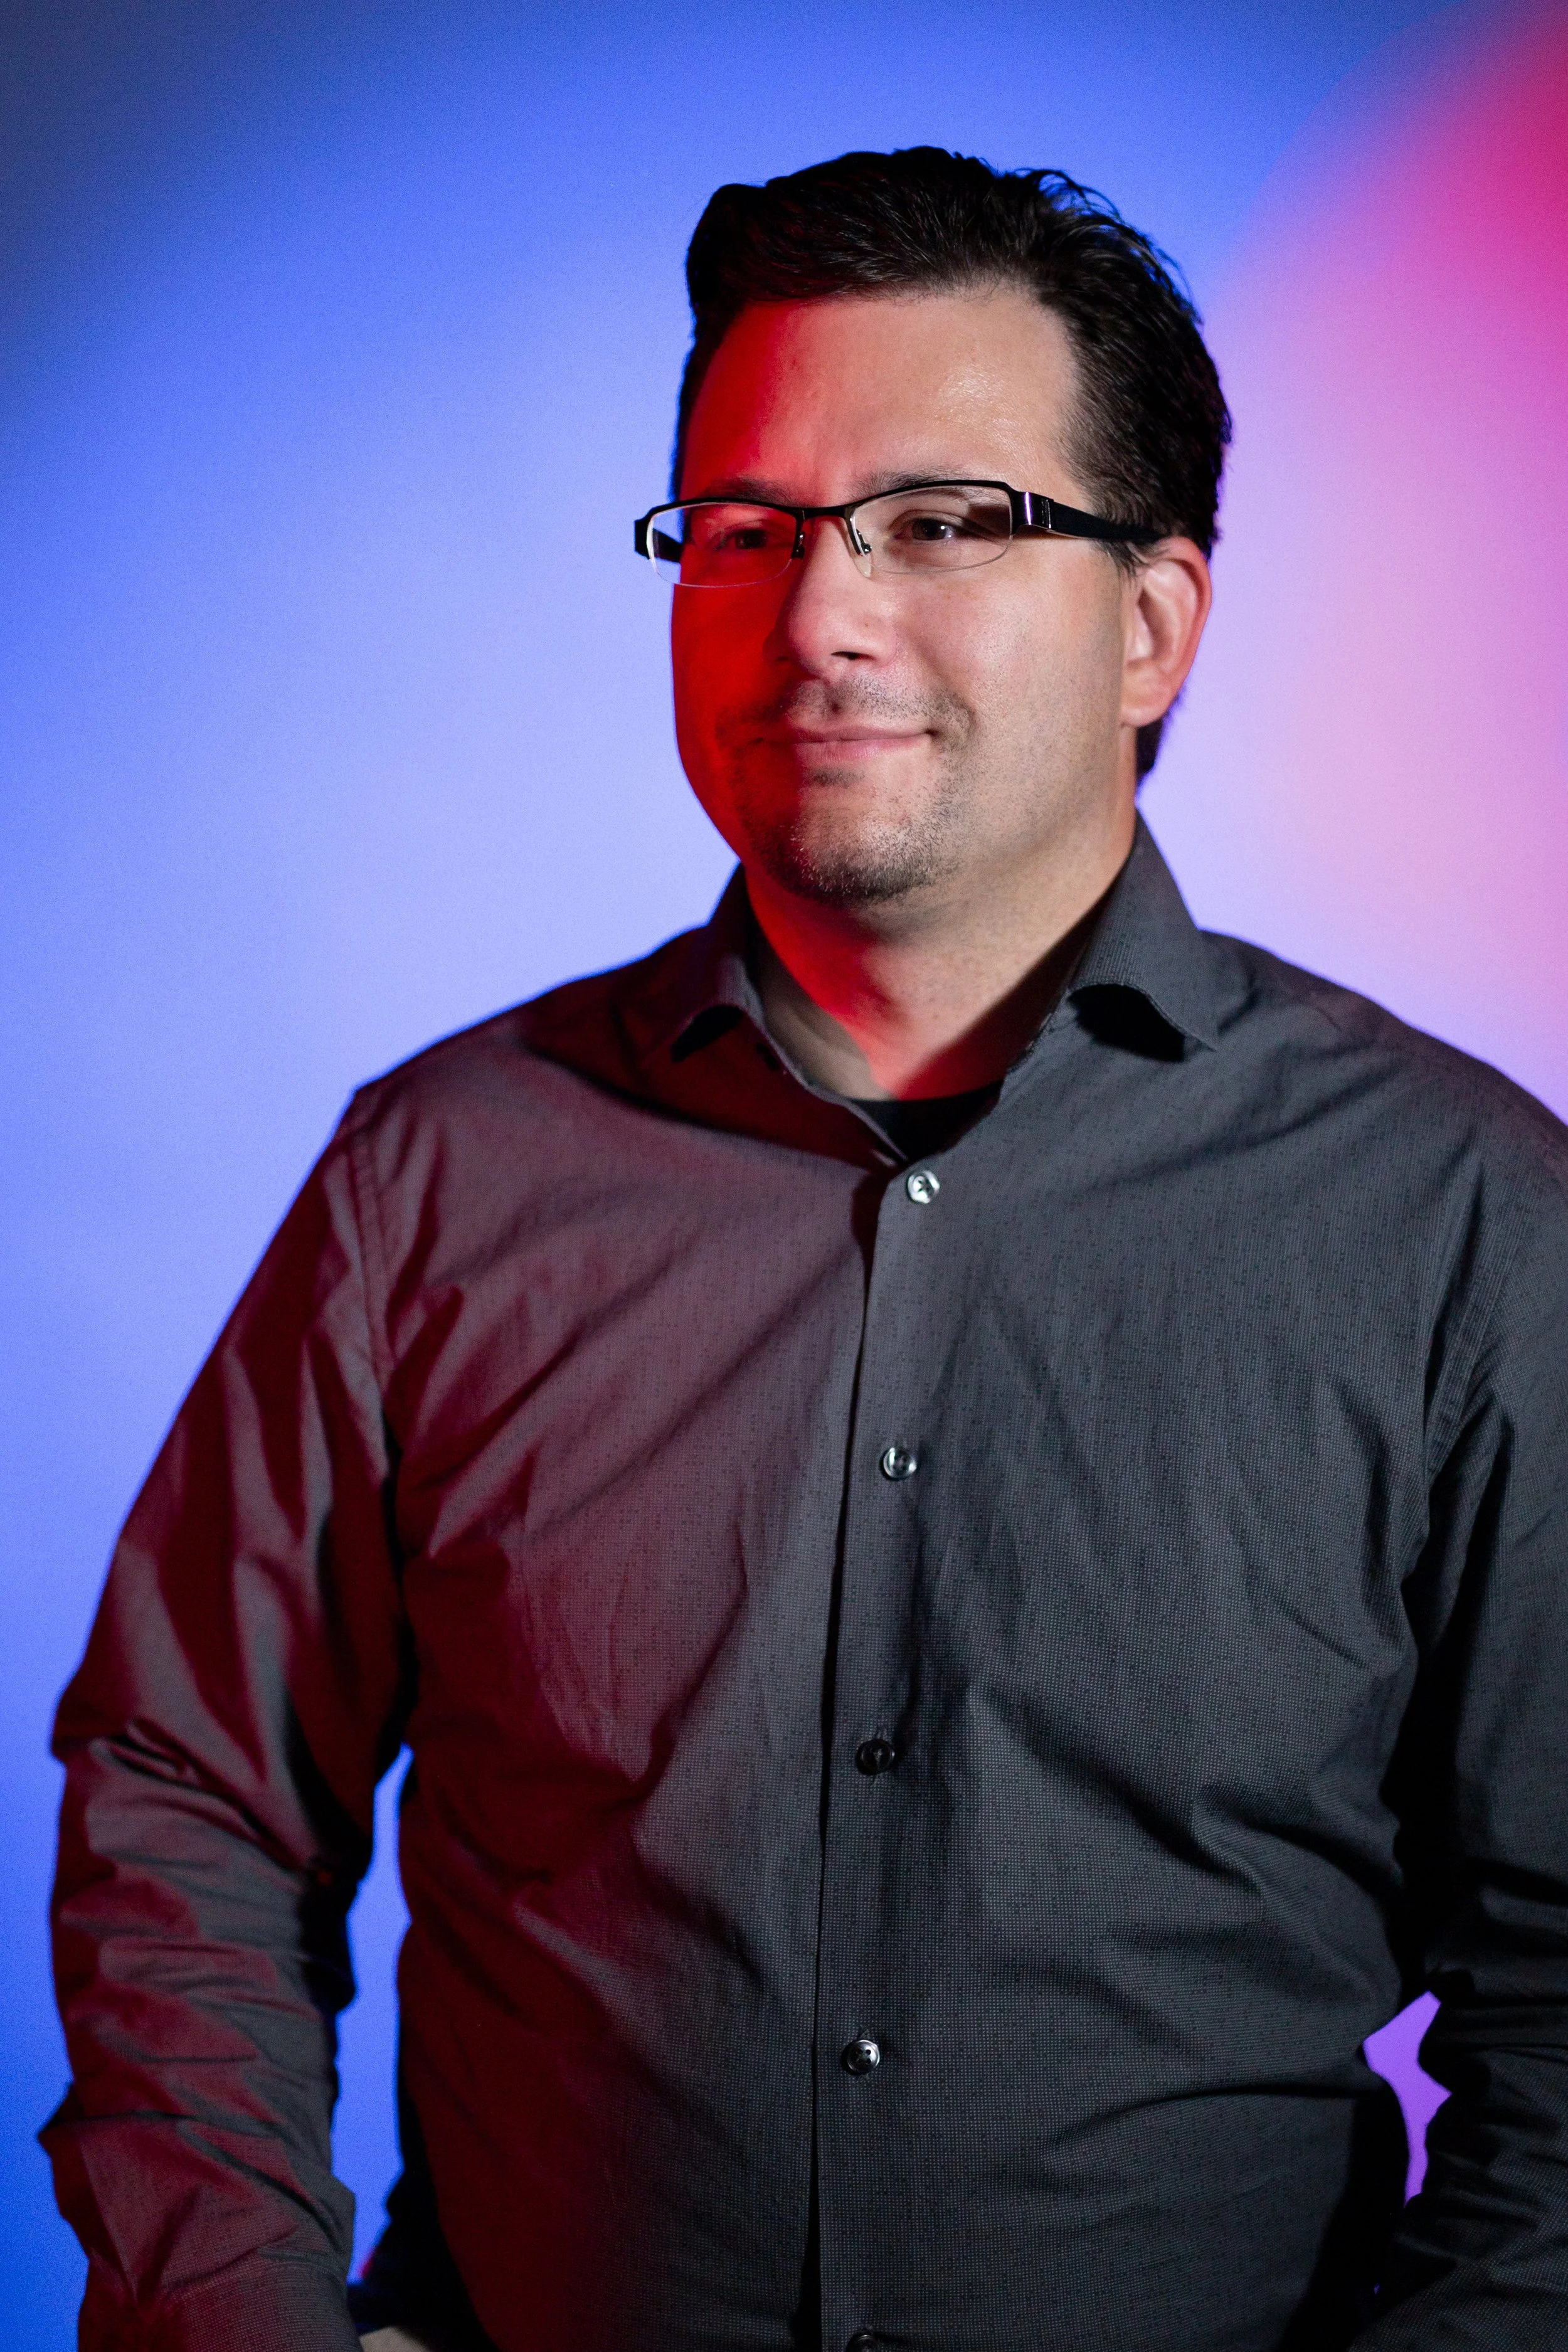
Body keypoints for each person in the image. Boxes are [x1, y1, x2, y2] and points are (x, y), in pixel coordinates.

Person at [43, 147, 1568, 2352]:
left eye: (940, 524)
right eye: (746, 534)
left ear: (1153, 618)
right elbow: (186, 1791)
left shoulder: (1452, 1219)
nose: (820, 618)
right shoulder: (443, 1178)